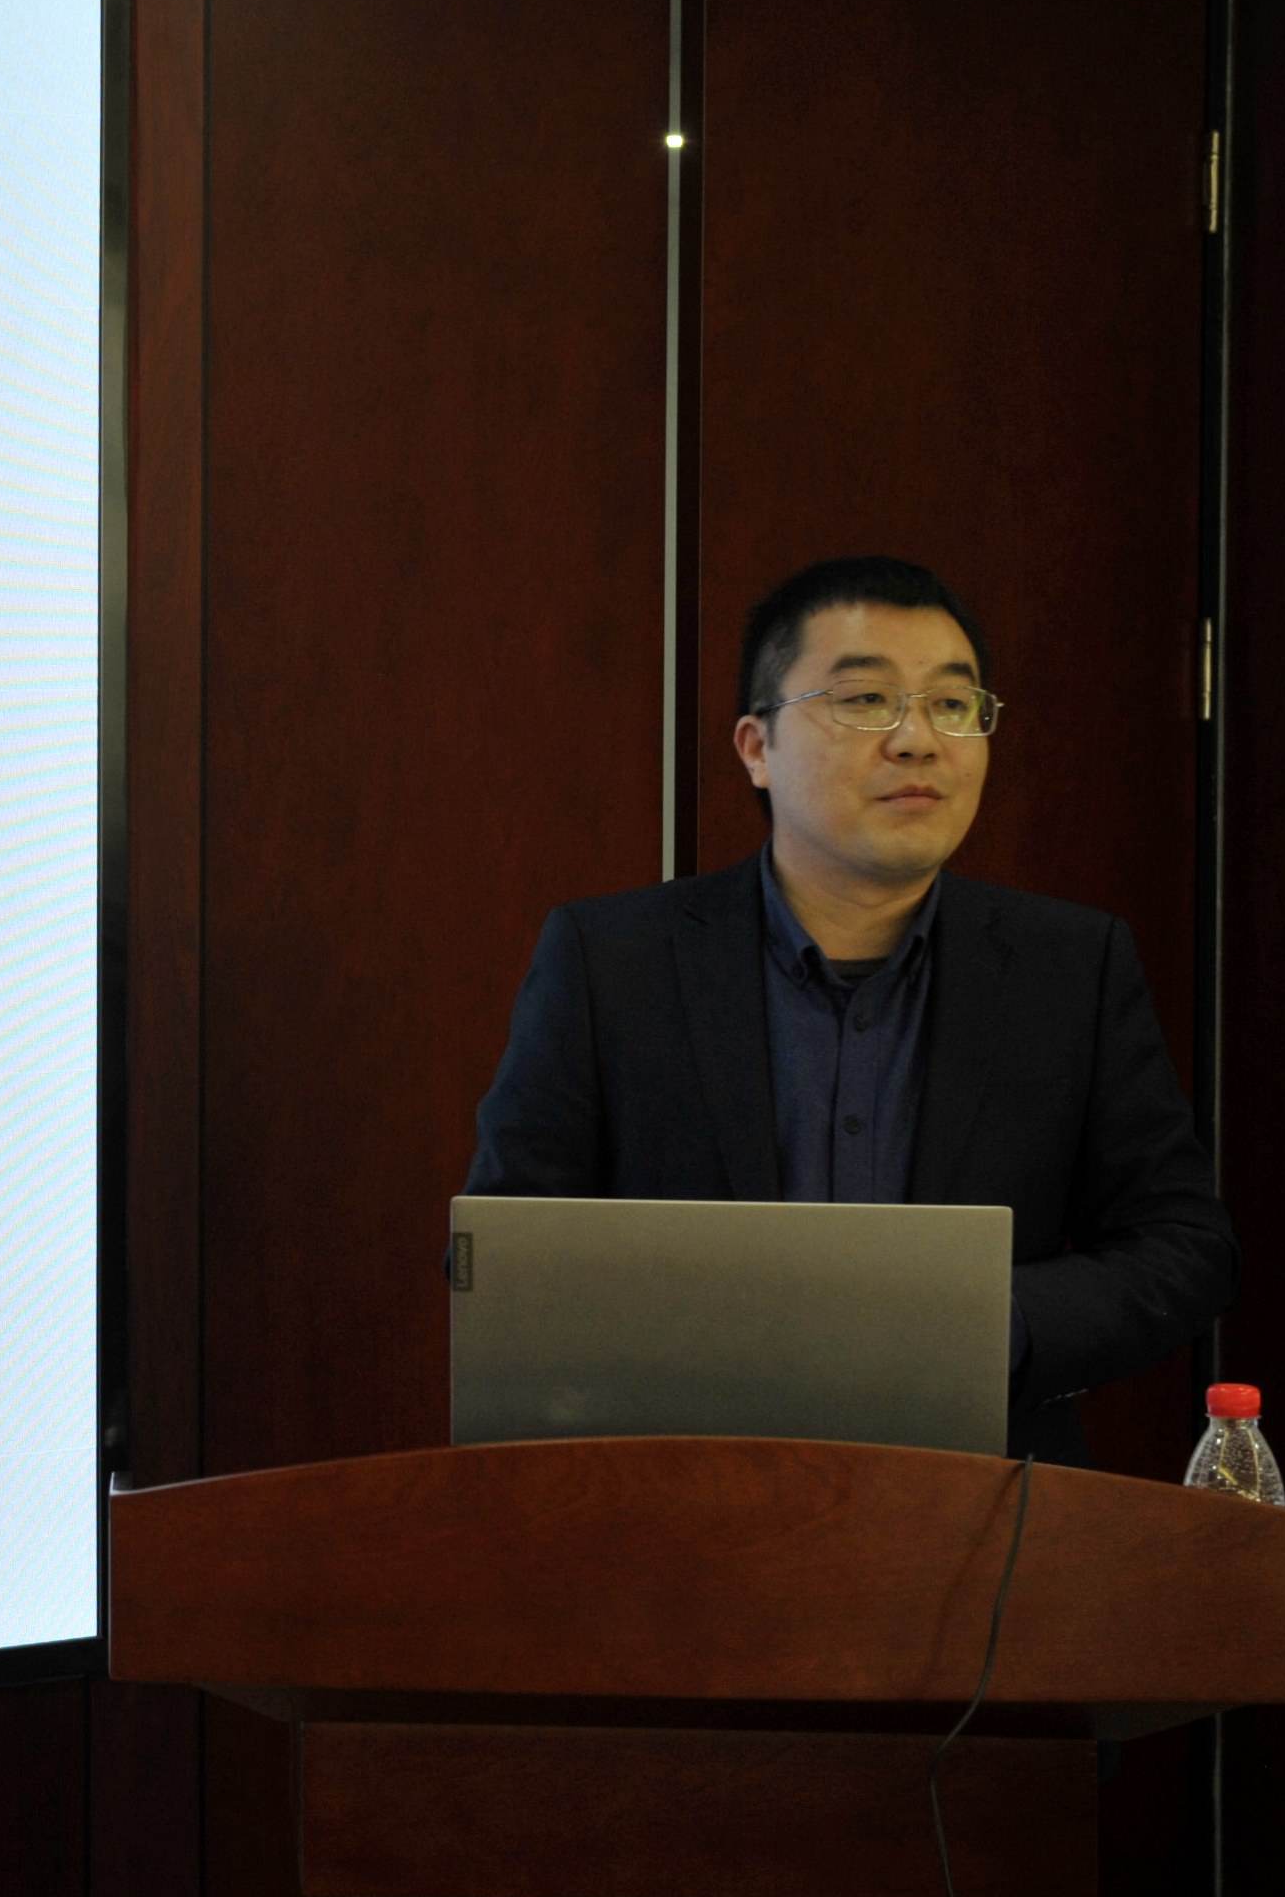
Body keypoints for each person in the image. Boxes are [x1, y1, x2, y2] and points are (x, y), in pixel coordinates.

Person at [462, 555, 1234, 1467]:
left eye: (952, 704)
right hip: (679, 1490)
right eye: (865, 699)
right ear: (756, 747)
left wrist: (993, 1324)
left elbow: (1183, 1245)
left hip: (982, 1499)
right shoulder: (612, 961)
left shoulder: (1068, 967)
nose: (917, 740)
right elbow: (504, 1253)